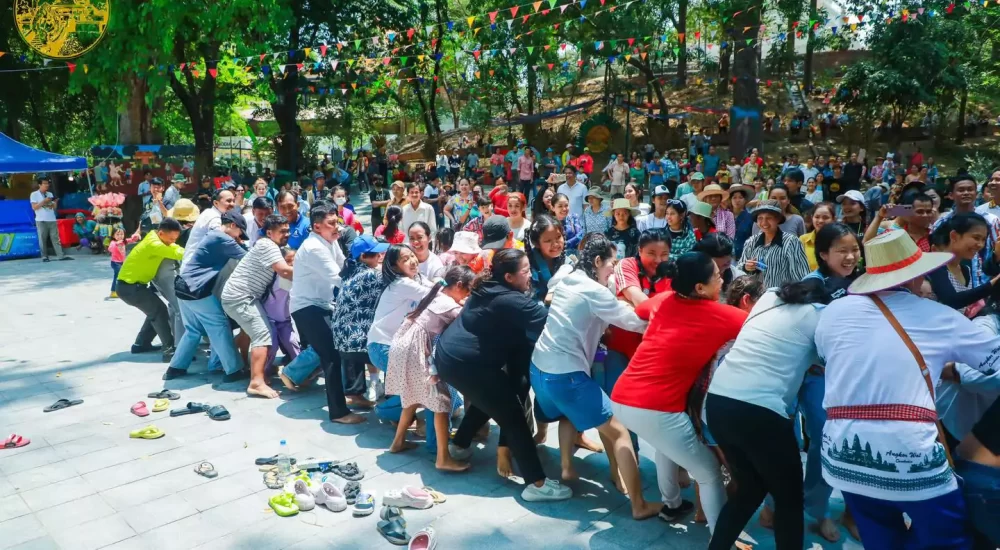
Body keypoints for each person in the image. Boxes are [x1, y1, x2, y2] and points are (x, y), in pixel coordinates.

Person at [816, 229, 1000, 549]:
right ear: (917, 276)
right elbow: (993, 364)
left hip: (841, 453)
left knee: (880, 540)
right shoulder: (937, 316)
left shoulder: (834, 311)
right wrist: (954, 369)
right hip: (909, 457)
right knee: (949, 542)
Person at [530, 235, 662, 519]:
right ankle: (639, 505)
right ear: (597, 261)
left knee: (569, 415)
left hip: (539, 369)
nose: (613, 269)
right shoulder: (596, 292)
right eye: (610, 263)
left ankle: (567, 467)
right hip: (565, 376)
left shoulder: (567, 276)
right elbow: (633, 322)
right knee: (620, 432)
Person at [612, 252, 747, 530]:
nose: (722, 280)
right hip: (657, 407)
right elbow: (761, 325)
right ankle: (720, 540)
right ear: (700, 288)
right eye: (718, 276)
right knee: (709, 472)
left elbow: (639, 311)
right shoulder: (724, 315)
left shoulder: (663, 299)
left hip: (623, 396)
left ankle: (672, 505)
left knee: (665, 447)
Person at [706, 276, 833, 550]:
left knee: (749, 490)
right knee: (789, 498)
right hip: (759, 412)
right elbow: (830, 360)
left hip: (718, 402)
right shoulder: (820, 315)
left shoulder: (769, 297)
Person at [436, 249, 573, 501]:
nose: (530, 274)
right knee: (512, 414)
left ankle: (460, 444)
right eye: (525, 270)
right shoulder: (510, 300)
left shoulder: (488, 285)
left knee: (490, 398)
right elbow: (551, 321)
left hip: (450, 355)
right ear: (509, 277)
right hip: (467, 363)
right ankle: (537, 484)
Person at [386, 265, 475, 472]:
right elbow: (468, 318)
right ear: (459, 285)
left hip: (403, 345)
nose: (468, 295)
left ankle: (398, 442)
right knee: (440, 401)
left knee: (412, 396)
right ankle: (443, 458)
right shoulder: (449, 306)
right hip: (415, 351)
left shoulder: (436, 295)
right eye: (468, 290)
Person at [287, 206, 362, 422]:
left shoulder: (330, 241)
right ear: (316, 226)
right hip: (306, 308)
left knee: (340, 347)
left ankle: (350, 393)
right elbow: (339, 277)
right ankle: (338, 412)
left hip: (323, 304)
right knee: (331, 356)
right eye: (330, 223)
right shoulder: (314, 247)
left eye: (336, 221)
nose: (336, 227)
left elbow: (345, 266)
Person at [164, 210, 249, 381]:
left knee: (193, 330)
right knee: (220, 325)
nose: (239, 237)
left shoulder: (214, 236)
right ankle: (233, 370)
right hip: (196, 289)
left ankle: (176, 368)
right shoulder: (222, 238)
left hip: (182, 285)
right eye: (240, 232)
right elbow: (250, 258)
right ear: (233, 225)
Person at [221, 214, 294, 399]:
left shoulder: (271, 245)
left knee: (250, 332)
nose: (287, 233)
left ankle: (242, 361)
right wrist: (311, 272)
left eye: (287, 230)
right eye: (282, 231)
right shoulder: (268, 245)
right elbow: (284, 271)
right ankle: (256, 382)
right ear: (269, 232)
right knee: (263, 334)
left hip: (243, 296)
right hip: (241, 297)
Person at [367, 244, 435, 422]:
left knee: (417, 383)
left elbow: (434, 286)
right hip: (383, 346)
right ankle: (384, 411)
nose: (412, 261)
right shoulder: (401, 283)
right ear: (395, 267)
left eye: (412, 256)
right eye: (405, 259)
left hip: (397, 346)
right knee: (418, 384)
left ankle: (399, 415)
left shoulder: (417, 279)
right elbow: (436, 294)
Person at [331, 235, 390, 408]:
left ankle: (355, 392)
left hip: (341, 339)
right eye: (376, 254)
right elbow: (398, 284)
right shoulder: (371, 275)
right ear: (363, 257)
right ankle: (393, 405)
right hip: (357, 342)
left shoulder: (350, 273)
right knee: (393, 354)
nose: (380, 256)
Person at [116, 218, 185, 361]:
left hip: (132, 286)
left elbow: (174, 248)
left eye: (175, 239)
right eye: (171, 238)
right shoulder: (154, 244)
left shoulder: (156, 238)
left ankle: (141, 344)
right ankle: (169, 351)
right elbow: (177, 253)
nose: (172, 242)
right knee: (159, 311)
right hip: (129, 288)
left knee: (153, 310)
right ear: (161, 233)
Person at [926, 213, 1000, 317]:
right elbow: (952, 300)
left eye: (983, 240)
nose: (980, 245)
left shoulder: (966, 270)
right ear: (954, 236)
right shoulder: (935, 265)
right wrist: (994, 283)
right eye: (976, 238)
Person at [738, 200, 811, 288]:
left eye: (769, 218)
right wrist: (746, 267)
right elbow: (739, 269)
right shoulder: (751, 241)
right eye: (760, 218)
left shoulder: (791, 242)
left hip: (780, 297)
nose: (764, 222)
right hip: (755, 298)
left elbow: (801, 276)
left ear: (778, 219)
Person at [183, 189, 236, 263]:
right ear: (216, 203)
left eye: (234, 201)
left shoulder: (209, 212)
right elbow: (219, 240)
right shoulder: (214, 218)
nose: (232, 204)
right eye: (229, 201)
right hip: (196, 267)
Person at [526, 215, 569, 304]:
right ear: (536, 243)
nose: (555, 244)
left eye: (558, 237)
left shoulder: (568, 263)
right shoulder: (527, 267)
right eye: (548, 240)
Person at [30, 178, 70, 262]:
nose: (47, 185)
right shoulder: (34, 194)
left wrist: (55, 202)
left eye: (47, 183)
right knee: (42, 238)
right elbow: (34, 207)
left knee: (55, 238)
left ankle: (60, 255)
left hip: (51, 218)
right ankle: (44, 256)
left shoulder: (50, 194)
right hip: (41, 220)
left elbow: (53, 207)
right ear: (40, 185)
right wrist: (44, 201)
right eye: (44, 183)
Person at [800, 202, 837, 271]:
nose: (820, 221)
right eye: (817, 217)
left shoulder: (839, 240)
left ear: (834, 219)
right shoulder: (803, 240)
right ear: (812, 217)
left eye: (825, 217)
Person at [108, 228, 141, 298]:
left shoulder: (124, 241)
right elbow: (110, 249)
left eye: (121, 234)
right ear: (113, 236)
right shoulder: (113, 243)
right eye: (117, 234)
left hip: (122, 262)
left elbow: (132, 240)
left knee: (122, 276)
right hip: (115, 263)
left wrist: (135, 236)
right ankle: (113, 292)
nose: (120, 236)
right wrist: (116, 244)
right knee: (118, 277)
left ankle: (121, 290)